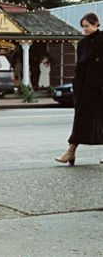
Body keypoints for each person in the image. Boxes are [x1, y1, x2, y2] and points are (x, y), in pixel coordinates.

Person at [55, 12, 103, 165]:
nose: (85, 29)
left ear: (96, 24)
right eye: (83, 27)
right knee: (81, 120)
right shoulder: (82, 44)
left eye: (87, 26)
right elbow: (79, 67)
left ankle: (71, 152)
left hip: (99, 88)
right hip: (84, 89)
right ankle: (71, 151)